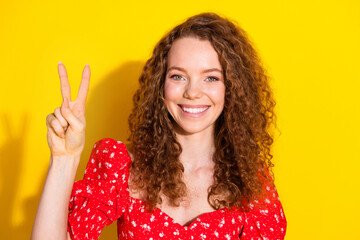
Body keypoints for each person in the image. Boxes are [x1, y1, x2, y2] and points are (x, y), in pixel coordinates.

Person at [32, 12, 287, 240]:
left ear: (231, 88)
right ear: (160, 85)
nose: (193, 92)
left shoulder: (251, 183)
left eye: (211, 77)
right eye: (178, 76)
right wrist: (64, 158)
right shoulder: (120, 164)